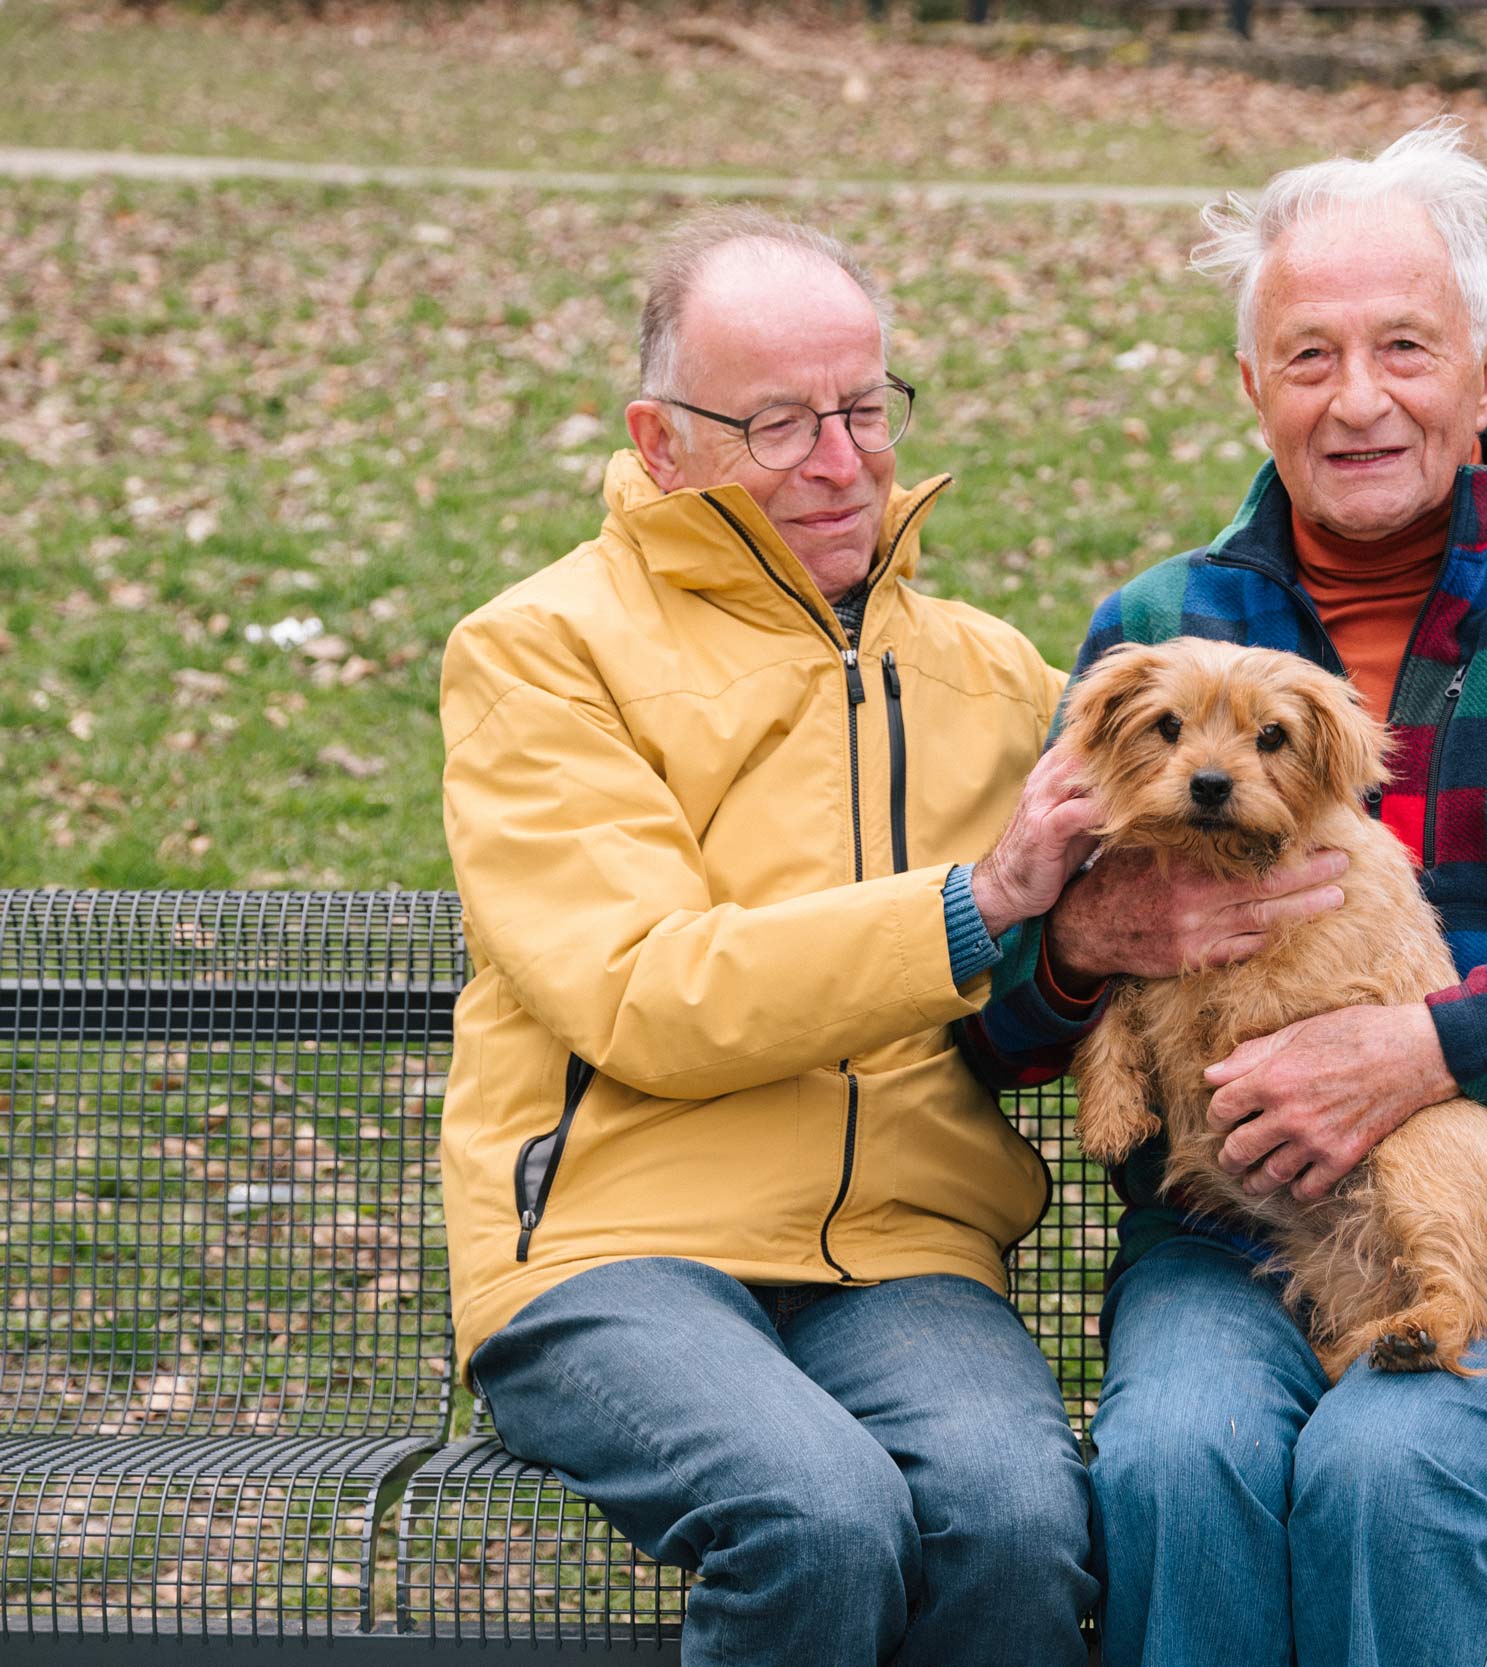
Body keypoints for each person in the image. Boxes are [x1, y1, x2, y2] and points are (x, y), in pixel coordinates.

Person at [961, 120, 1487, 1667]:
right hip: (1228, 1239)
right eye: (1310, 356)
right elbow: (1003, 1025)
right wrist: (1081, 943)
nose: (1358, 400)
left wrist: (1439, 1046)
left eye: (1404, 347)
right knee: (1176, 1463)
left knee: (1390, 1467)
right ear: (1254, 387)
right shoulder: (1158, 629)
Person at [434, 206, 1116, 1667]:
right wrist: (973, 904)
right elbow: (646, 994)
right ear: (661, 439)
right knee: (817, 1515)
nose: (839, 460)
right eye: (778, 423)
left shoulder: (994, 675)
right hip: (615, 1248)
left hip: (905, 1252)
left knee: (1014, 1523)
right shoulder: (542, 652)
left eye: (864, 409)